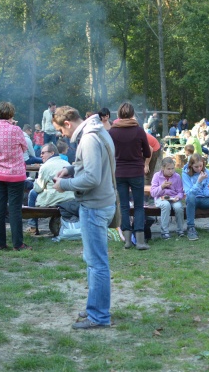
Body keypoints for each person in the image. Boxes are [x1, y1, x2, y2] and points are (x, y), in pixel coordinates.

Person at [52, 107, 117, 329]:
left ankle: (98, 316)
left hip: (94, 206)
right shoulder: (98, 130)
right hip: (101, 203)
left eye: (60, 129)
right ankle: (95, 306)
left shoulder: (88, 139)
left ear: (68, 123)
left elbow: (91, 177)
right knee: (93, 261)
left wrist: (64, 185)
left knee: (97, 263)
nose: (61, 135)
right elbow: (93, 166)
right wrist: (71, 169)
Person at [0, 101, 31, 251]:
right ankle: (18, 243)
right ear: (11, 114)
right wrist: (14, 126)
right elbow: (25, 147)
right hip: (15, 174)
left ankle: (0, 243)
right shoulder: (16, 130)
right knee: (14, 209)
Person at [108, 101, 152, 250]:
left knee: (124, 206)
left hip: (119, 172)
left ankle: (127, 241)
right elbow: (147, 153)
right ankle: (140, 242)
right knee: (139, 206)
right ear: (133, 114)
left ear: (118, 115)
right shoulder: (139, 131)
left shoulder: (112, 132)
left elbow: (109, 153)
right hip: (136, 172)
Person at [26, 143, 74, 234]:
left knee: (32, 193)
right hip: (70, 197)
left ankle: (33, 226)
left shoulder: (45, 166)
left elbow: (38, 188)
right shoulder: (66, 163)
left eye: (43, 153)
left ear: (52, 153)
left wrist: (34, 182)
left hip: (55, 198)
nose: (41, 155)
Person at [150, 157, 185, 239]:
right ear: (163, 168)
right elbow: (153, 193)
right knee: (166, 205)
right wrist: (162, 186)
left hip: (173, 198)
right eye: (168, 169)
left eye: (173, 169)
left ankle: (180, 230)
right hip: (160, 198)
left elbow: (180, 191)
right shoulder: (157, 176)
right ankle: (164, 232)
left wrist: (178, 197)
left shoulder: (177, 176)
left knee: (178, 207)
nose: (171, 171)